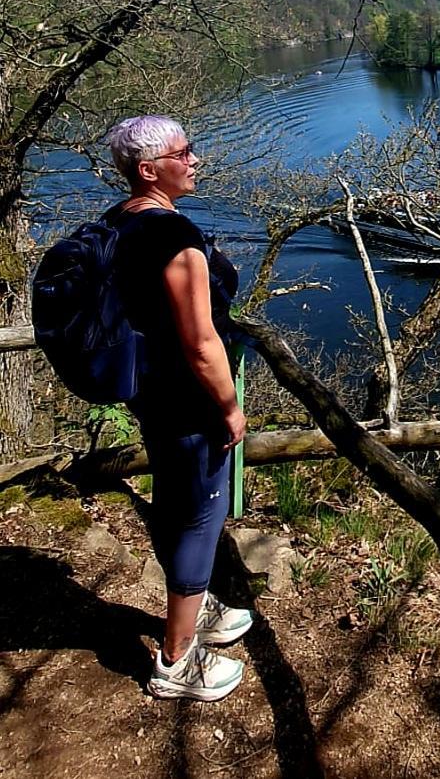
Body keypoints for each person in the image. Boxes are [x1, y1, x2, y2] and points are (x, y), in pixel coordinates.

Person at [105, 114, 251, 701]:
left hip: (147, 389)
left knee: (173, 499)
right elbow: (200, 342)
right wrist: (230, 407)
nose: (195, 160)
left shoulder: (121, 219)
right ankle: (176, 659)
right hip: (188, 400)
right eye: (184, 153)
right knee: (199, 517)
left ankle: (194, 608)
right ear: (149, 170)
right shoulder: (175, 239)